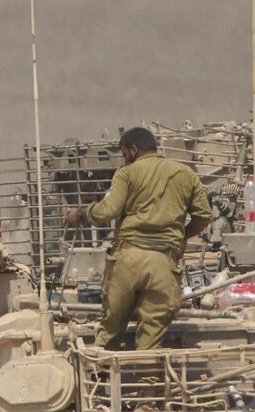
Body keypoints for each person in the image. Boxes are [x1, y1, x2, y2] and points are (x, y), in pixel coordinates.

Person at [61, 127, 212, 350]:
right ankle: (147, 382)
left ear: (133, 150)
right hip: (164, 264)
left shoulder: (127, 173)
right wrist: (180, 236)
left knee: (108, 336)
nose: (125, 160)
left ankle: (99, 380)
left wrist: (81, 214)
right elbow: (204, 216)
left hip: (127, 261)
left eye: (124, 155)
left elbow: (108, 211)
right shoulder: (185, 174)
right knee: (149, 345)